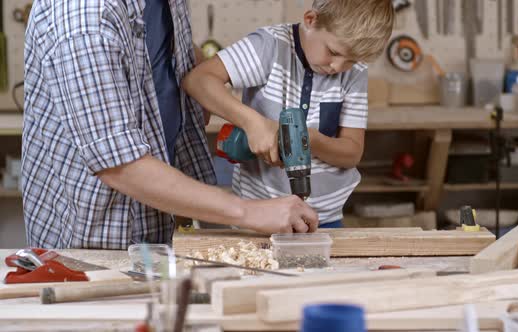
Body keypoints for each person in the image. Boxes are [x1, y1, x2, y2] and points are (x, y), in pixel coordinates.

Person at [22, 0, 318, 249]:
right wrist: (248, 212)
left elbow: (164, 51)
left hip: (160, 223)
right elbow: (121, 167)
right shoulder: (85, 20)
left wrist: (232, 105)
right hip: (96, 243)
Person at [182, 0, 395, 227]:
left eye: (351, 60)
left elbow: (352, 153)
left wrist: (309, 139)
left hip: (324, 218)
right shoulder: (269, 46)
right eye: (333, 52)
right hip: (260, 214)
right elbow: (198, 80)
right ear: (311, 20)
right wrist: (253, 123)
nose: (338, 67)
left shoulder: (354, 73)